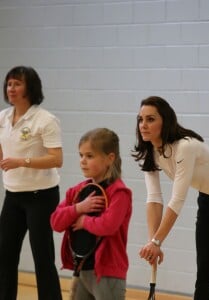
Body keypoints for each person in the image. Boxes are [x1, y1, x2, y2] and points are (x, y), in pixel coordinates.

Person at [132, 96, 209, 300]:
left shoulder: (185, 146)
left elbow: (177, 200)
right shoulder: (151, 151)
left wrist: (157, 241)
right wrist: (153, 243)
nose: (143, 125)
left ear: (165, 121)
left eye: (150, 119)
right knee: (205, 273)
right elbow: (154, 199)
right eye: (141, 119)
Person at [0, 66, 63, 299]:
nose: (11, 88)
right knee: (4, 256)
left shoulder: (45, 119)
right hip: (13, 196)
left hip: (41, 197)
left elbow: (56, 159)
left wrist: (21, 161)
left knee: (43, 259)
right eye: (9, 84)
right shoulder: (3, 117)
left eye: (17, 83)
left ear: (30, 87)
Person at [51, 128, 132, 300]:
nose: (82, 161)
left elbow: (109, 225)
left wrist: (84, 222)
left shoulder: (119, 193)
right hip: (82, 270)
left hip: (108, 273)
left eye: (89, 156)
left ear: (110, 158)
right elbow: (55, 223)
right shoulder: (77, 191)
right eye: (81, 155)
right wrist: (78, 208)